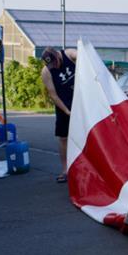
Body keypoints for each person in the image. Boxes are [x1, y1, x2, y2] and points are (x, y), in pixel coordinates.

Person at [40, 47, 77, 183]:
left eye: (56, 62)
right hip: (63, 105)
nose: (55, 66)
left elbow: (83, 57)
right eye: (51, 65)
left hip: (80, 100)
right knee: (63, 138)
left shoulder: (69, 54)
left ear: (57, 54)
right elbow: (53, 95)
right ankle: (65, 169)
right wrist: (67, 111)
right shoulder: (46, 72)